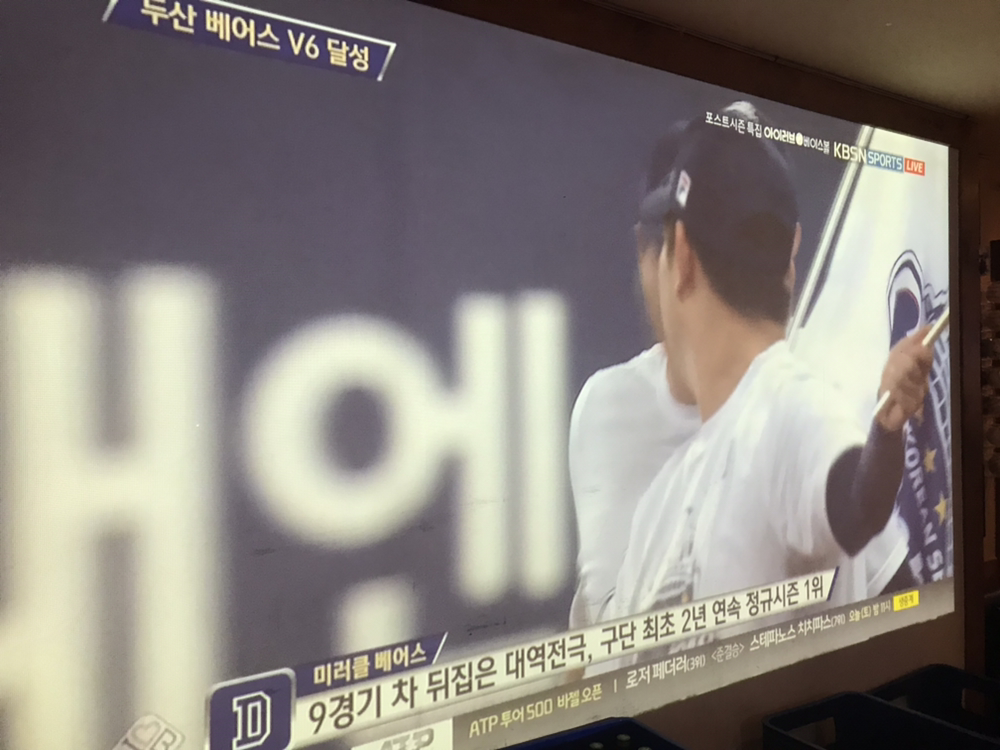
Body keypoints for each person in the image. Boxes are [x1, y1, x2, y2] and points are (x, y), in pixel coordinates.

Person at [568, 103, 915, 635]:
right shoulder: (662, 488)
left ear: (680, 258)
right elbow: (608, 647)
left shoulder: (792, 402)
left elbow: (857, 506)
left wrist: (885, 437)